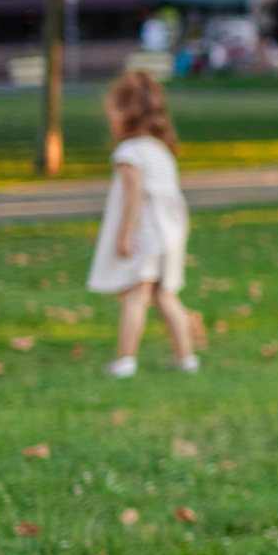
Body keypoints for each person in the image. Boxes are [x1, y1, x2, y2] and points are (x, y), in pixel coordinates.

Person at [86, 69, 198, 378]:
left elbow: (134, 196)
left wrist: (124, 236)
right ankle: (185, 357)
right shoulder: (163, 152)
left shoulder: (129, 153)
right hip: (171, 233)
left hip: (147, 233)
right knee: (166, 296)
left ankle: (125, 360)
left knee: (136, 295)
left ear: (123, 112)